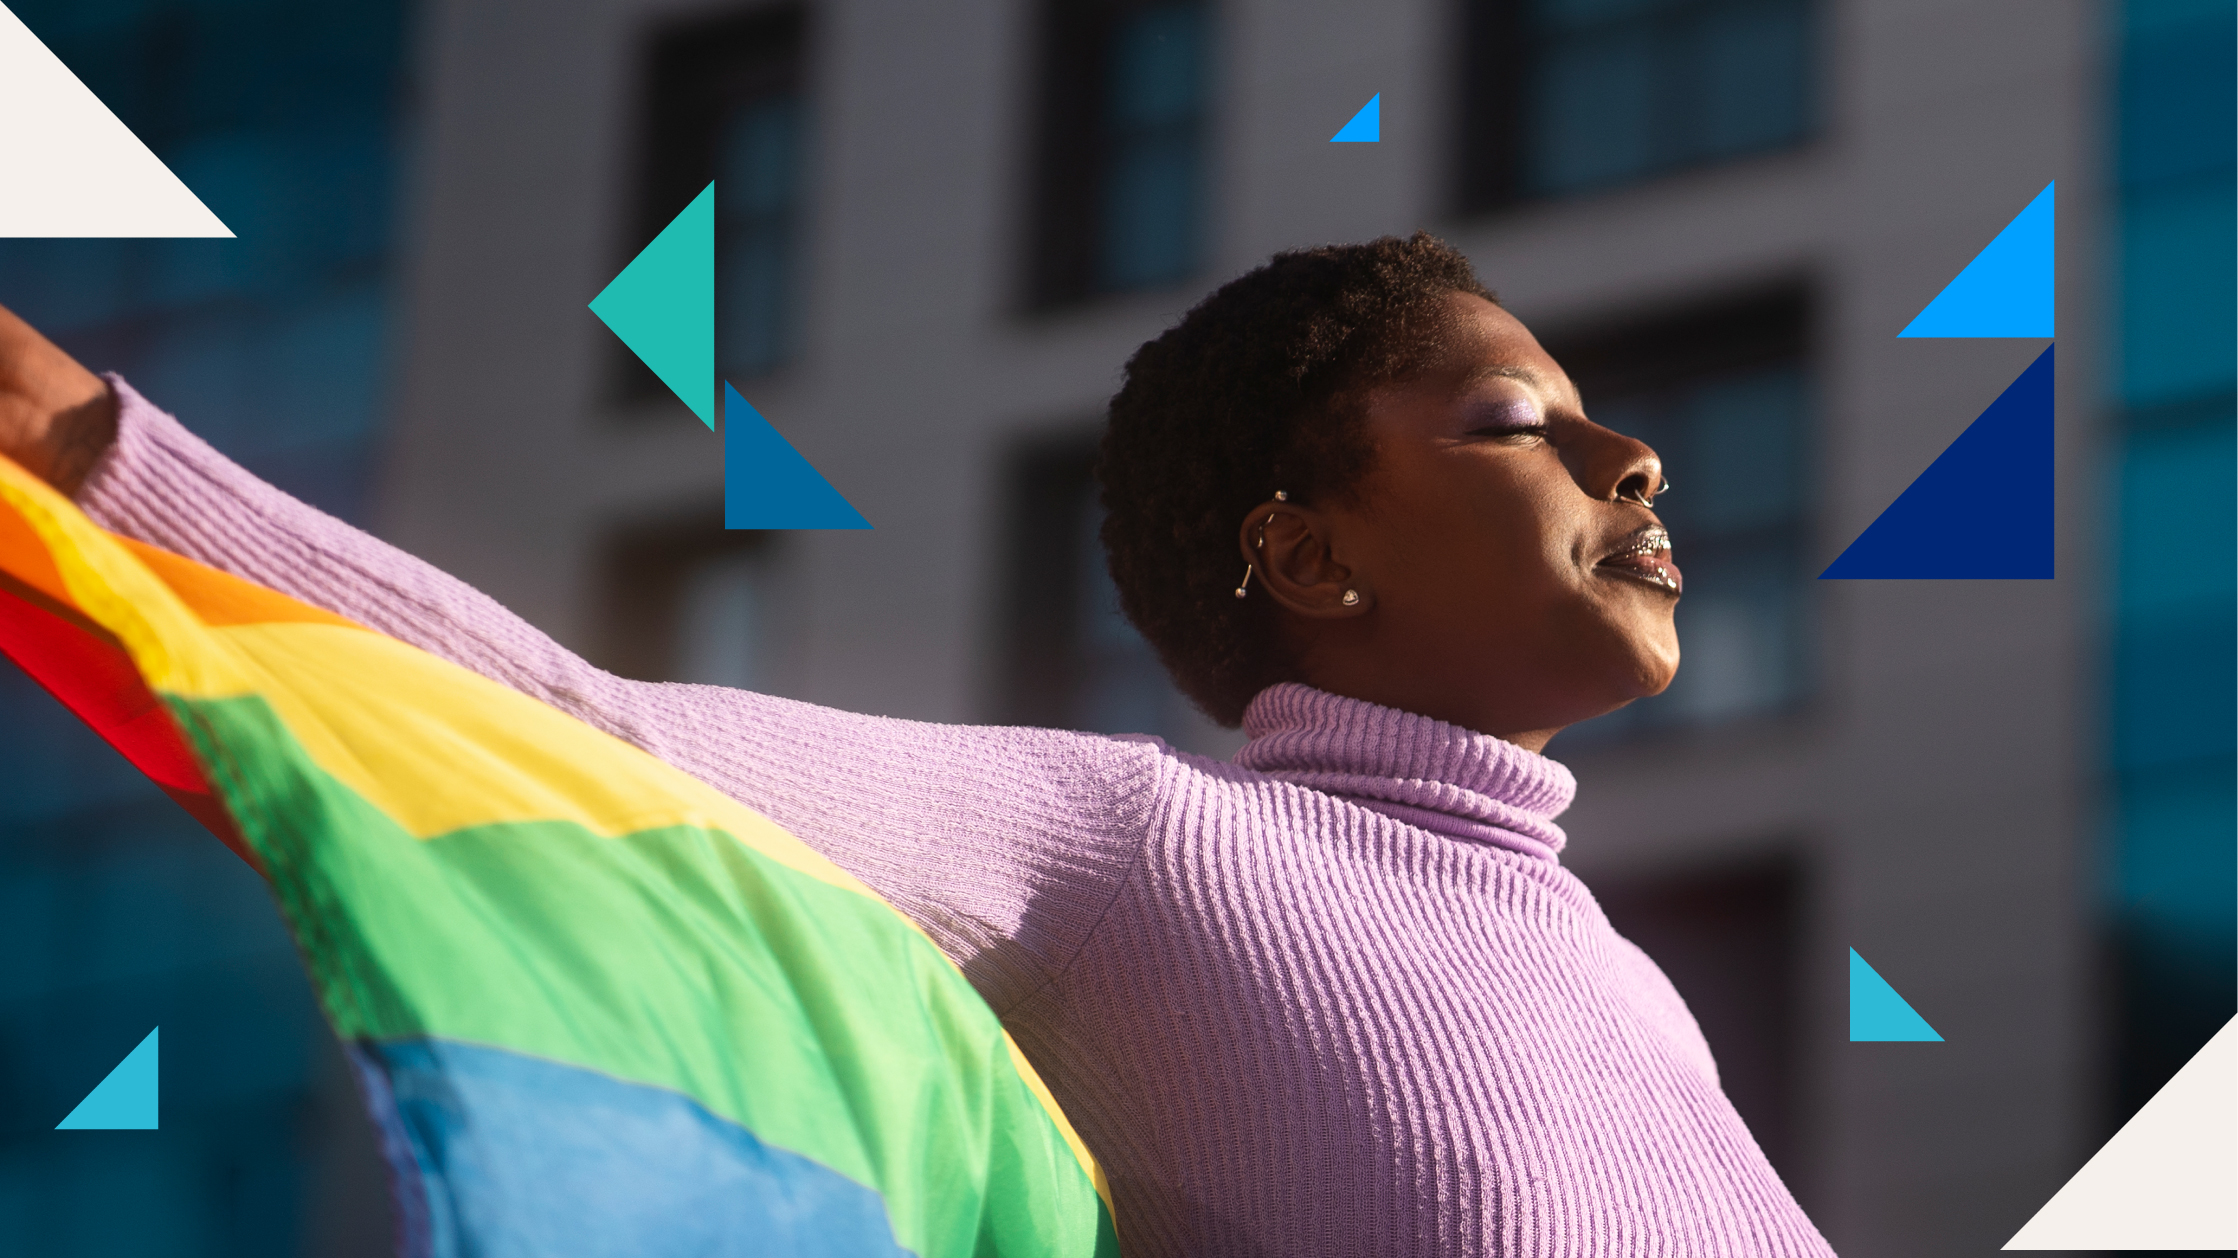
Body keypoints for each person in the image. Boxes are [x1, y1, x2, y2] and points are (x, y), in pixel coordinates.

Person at [0, 233, 1831, 1256]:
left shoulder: (1627, 987)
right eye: (1518, 421)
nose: (1630, 461)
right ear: (1307, 549)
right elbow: (586, 736)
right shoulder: (1133, 838)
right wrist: (98, 453)